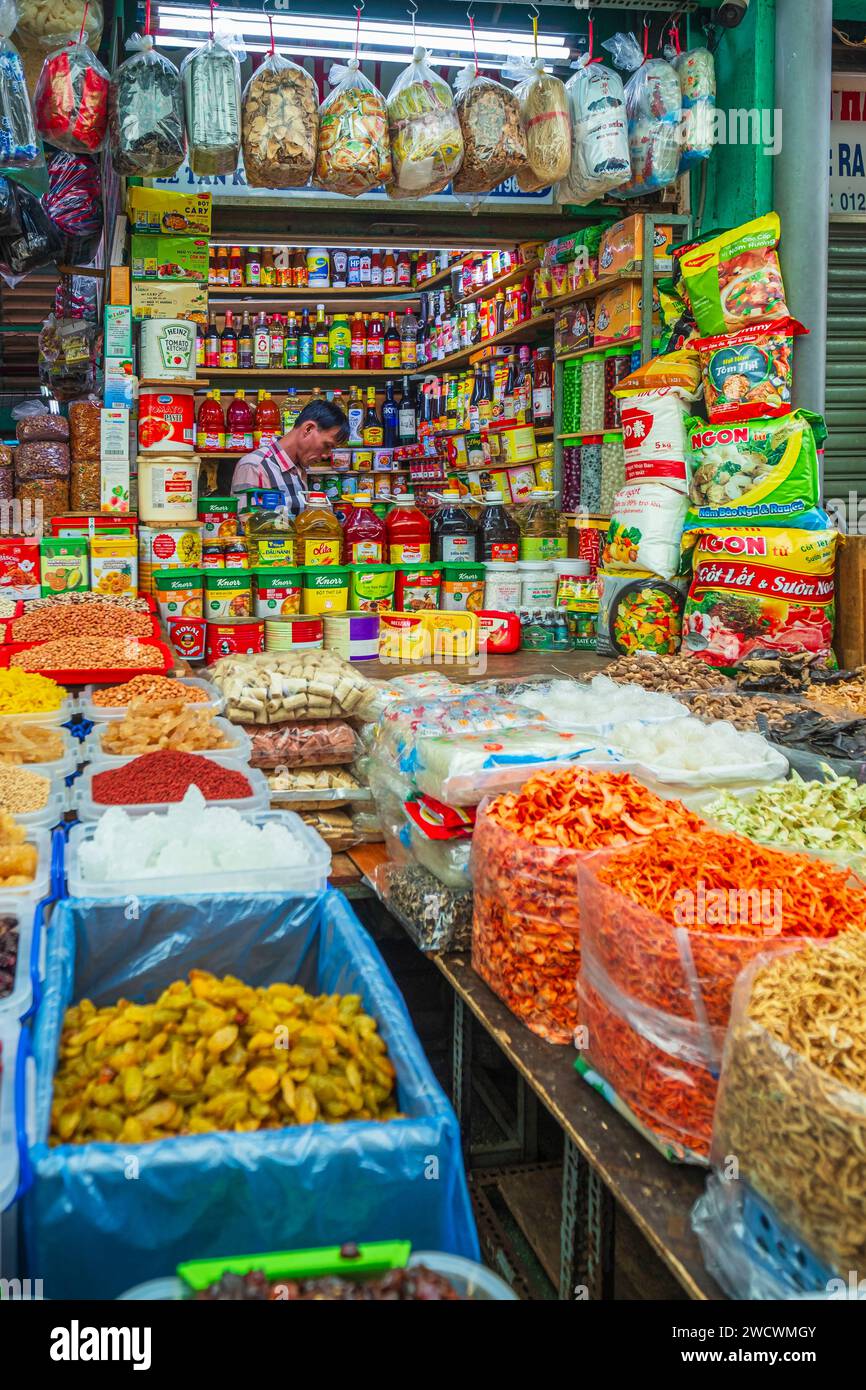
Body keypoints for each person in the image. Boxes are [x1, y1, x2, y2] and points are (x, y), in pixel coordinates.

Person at [230, 398, 349, 513]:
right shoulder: (255, 466)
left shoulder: (299, 468)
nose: (327, 455)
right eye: (327, 445)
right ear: (308, 429)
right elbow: (246, 526)